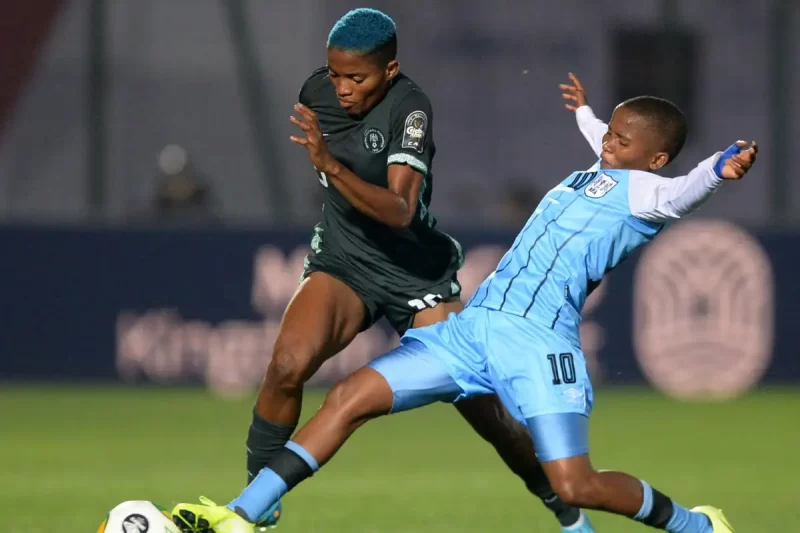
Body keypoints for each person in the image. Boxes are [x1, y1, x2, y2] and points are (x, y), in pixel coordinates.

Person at [172, 72, 757, 533]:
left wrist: (720, 167)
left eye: (622, 140)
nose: (609, 141)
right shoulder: (601, 167)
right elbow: (603, 134)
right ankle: (241, 515)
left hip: (538, 346)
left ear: (656, 160)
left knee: (576, 484)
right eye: (610, 133)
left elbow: (690, 188)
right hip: (471, 332)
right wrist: (586, 113)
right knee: (349, 397)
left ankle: (697, 525)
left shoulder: (653, 194)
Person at [172, 9, 589, 533]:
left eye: (356, 77)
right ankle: (255, 506)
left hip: (416, 274)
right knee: (286, 365)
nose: (342, 88)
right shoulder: (317, 94)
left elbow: (400, 210)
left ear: (389, 70)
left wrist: (330, 166)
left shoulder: (410, 109)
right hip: (345, 261)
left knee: (486, 413)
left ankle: (564, 507)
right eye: (334, 74)